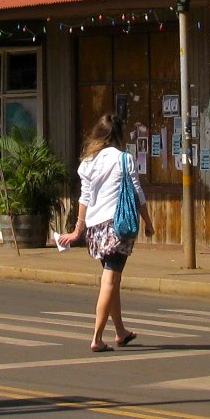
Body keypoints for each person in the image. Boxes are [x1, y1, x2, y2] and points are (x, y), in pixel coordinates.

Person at [57, 114, 154, 352]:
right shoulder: (124, 159)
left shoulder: (88, 162)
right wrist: (148, 222)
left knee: (112, 280)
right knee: (110, 280)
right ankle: (97, 337)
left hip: (96, 229)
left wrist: (77, 230)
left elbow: (85, 198)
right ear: (118, 136)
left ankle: (120, 331)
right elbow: (137, 193)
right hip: (118, 227)